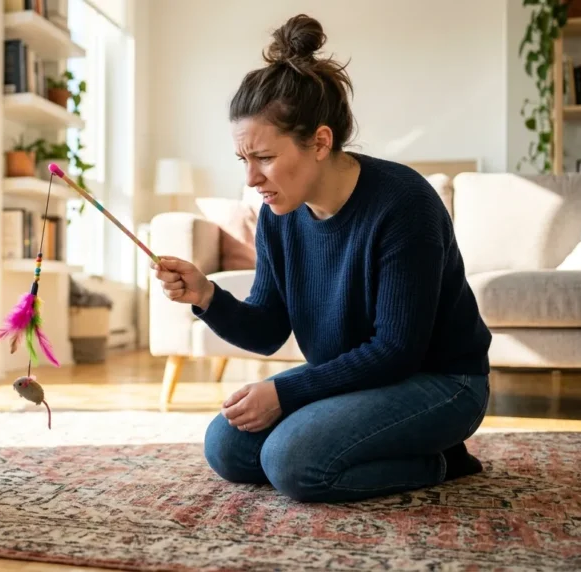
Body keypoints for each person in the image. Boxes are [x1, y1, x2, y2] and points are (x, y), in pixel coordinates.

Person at [152, 13, 492, 503]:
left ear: (321, 142)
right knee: (227, 447)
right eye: (242, 160)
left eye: (264, 157)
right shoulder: (278, 214)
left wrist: (286, 394)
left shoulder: (404, 204)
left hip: (443, 382)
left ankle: (441, 459)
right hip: (362, 381)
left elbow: (397, 349)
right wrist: (206, 295)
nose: (251, 178)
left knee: (293, 463)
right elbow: (269, 330)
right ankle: (374, 446)